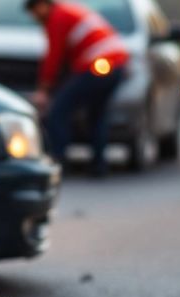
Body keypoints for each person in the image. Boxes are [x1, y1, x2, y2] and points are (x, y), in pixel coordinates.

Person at [26, 0, 128, 177]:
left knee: (58, 111)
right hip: (116, 65)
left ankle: (57, 162)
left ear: (42, 5)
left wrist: (44, 89)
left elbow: (54, 56)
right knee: (97, 114)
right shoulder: (68, 10)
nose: (35, 18)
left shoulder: (57, 17)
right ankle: (99, 165)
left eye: (34, 12)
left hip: (97, 66)